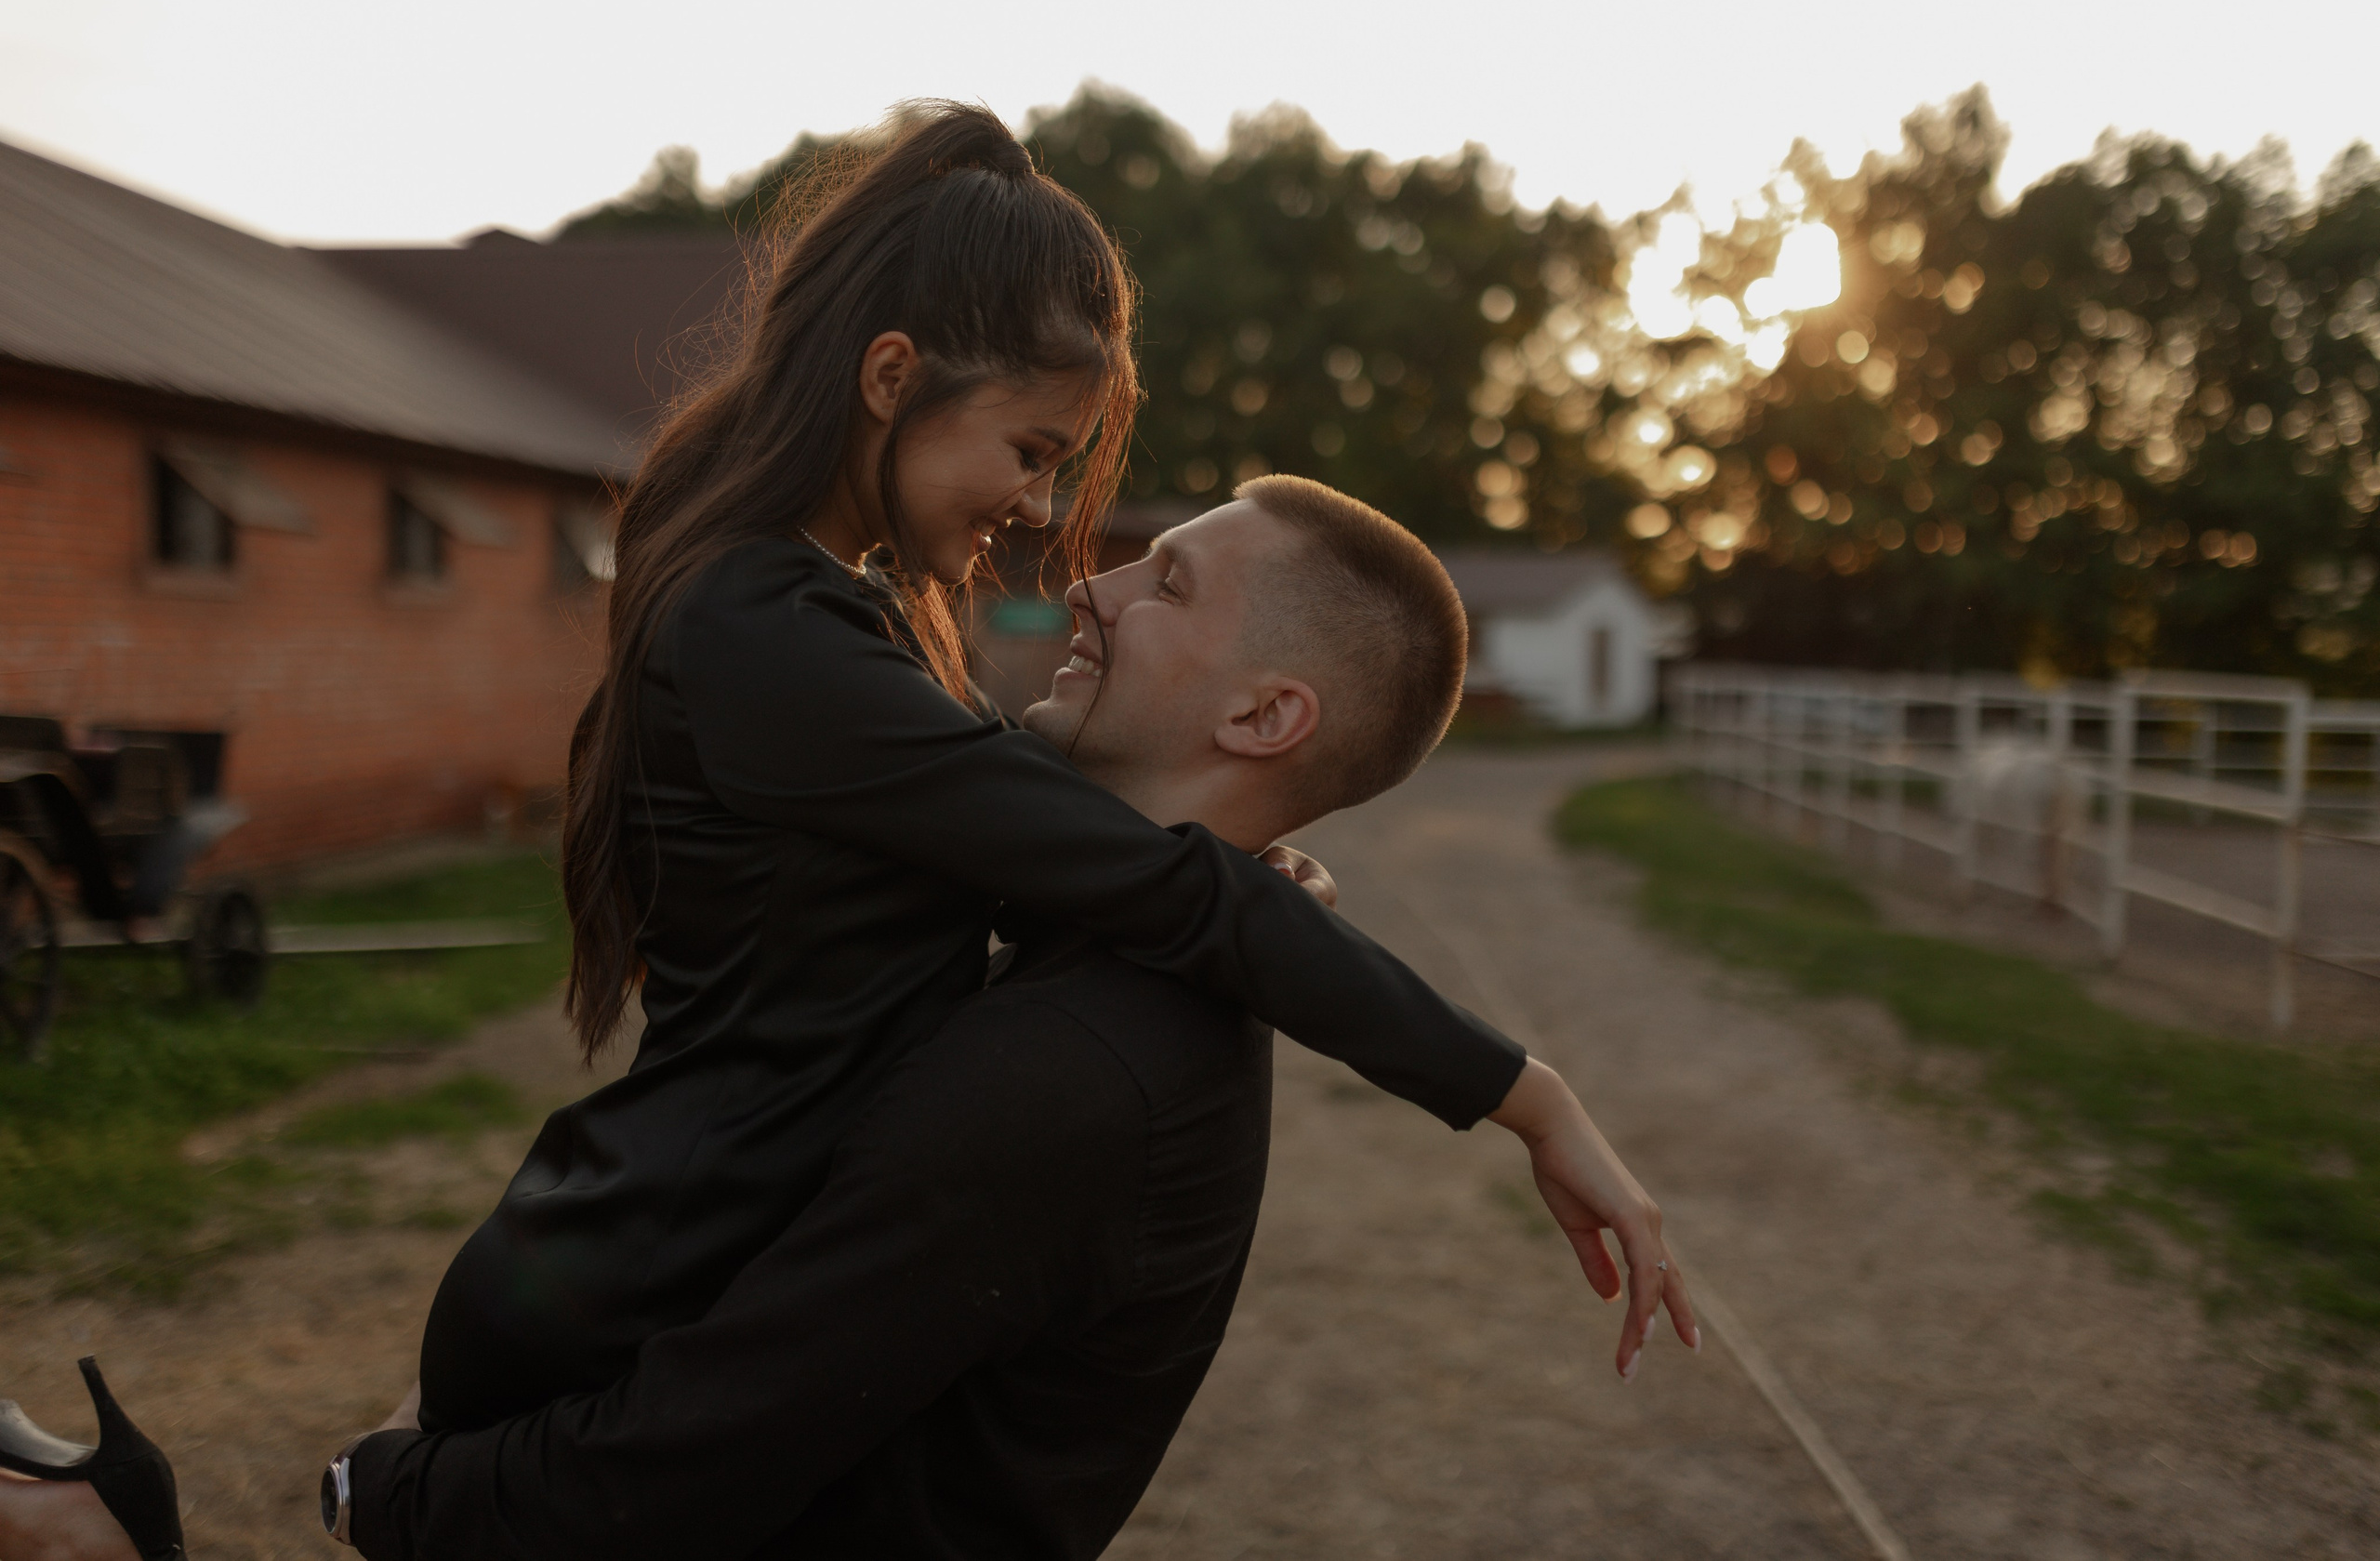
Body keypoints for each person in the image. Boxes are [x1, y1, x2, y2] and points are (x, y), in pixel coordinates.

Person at [0, 102, 1689, 1561]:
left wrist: (1254, 886)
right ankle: (77, 1519)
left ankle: (80, 1512)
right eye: (1033, 453)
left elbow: (1124, 885)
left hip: (647, 1250)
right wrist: (1520, 1091)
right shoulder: (776, 637)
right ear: (892, 380)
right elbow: (1135, 876)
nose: (1053, 528)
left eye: (1088, 496)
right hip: (634, 1266)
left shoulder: (838, 629)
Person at [336, 479, 1698, 1559]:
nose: (1088, 585)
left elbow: (683, 1467)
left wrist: (383, 1488)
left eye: (1165, 581)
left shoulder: (1070, 1073)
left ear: (1268, 713)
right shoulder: (1103, 959)